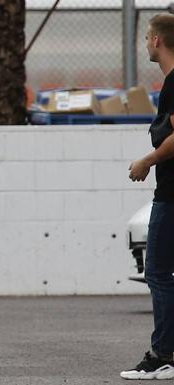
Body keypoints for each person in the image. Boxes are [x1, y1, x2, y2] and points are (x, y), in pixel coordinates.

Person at [125, 14, 174, 380]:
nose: (145, 44)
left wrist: (148, 159)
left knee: (157, 271)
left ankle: (162, 354)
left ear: (158, 41)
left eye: (146, 38)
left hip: (171, 195)